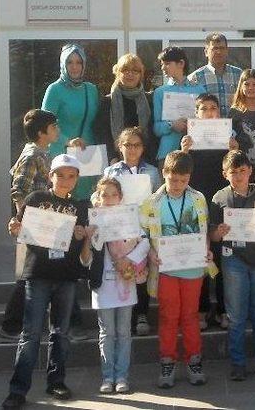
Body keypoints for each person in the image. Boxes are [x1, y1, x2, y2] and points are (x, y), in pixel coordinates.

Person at [1, 154, 93, 410]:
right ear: (50, 176)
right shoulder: (36, 199)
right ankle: (17, 390)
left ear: (77, 179)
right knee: (30, 334)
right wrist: (15, 229)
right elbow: (19, 229)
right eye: (60, 174)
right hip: (38, 274)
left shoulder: (81, 207)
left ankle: (56, 382)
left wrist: (81, 235)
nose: (65, 180)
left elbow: (82, 248)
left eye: (71, 176)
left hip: (66, 277)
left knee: (60, 334)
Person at [139, 150, 210, 389]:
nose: (178, 185)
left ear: (189, 177)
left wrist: (207, 250)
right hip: (165, 269)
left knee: (190, 315)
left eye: (183, 180)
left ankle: (193, 359)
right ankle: (167, 360)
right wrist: (150, 254)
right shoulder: (152, 202)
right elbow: (144, 235)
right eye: (173, 179)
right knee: (169, 316)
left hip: (193, 268)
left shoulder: (198, 198)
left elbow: (204, 230)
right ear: (164, 174)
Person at [209, 150, 255, 381]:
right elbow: (213, 235)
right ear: (224, 174)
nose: (238, 176)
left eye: (242, 171)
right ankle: (238, 363)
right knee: (236, 316)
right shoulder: (219, 198)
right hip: (233, 261)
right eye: (233, 172)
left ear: (250, 170)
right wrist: (217, 233)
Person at [181, 93, 239, 331]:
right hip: (197, 205)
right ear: (196, 114)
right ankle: (202, 311)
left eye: (213, 108)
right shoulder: (188, 140)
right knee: (200, 258)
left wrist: (234, 150)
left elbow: (237, 171)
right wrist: (184, 152)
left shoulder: (227, 138)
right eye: (203, 108)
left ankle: (225, 311)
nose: (208, 112)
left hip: (221, 205)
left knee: (223, 258)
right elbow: (178, 173)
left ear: (219, 112)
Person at [0, 110, 59, 340]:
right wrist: (25, 222)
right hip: (34, 225)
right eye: (53, 127)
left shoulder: (43, 153)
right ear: (41, 132)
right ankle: (10, 326)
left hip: (44, 223)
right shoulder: (33, 154)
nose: (57, 131)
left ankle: (25, 323)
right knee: (27, 275)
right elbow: (19, 189)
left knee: (36, 273)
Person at [87, 177, 149, 394]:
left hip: (126, 280)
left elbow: (145, 241)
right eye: (105, 195)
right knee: (107, 332)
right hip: (103, 283)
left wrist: (128, 259)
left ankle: (122, 376)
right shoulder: (93, 218)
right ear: (98, 196)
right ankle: (107, 376)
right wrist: (92, 232)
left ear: (121, 197)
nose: (110, 199)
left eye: (114, 195)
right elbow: (89, 253)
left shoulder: (129, 217)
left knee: (123, 331)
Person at [103, 127, 161, 336]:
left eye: (136, 145)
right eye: (127, 145)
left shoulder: (152, 171)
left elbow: (157, 198)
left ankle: (142, 313)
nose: (132, 149)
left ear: (143, 148)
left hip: (143, 227)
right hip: (119, 229)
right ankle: (124, 314)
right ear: (120, 146)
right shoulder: (111, 172)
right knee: (123, 269)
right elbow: (101, 196)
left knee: (141, 271)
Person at [41, 43, 100, 201]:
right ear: (63, 64)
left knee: (89, 202)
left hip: (88, 153)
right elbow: (45, 125)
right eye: (70, 62)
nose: (74, 67)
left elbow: (98, 122)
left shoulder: (91, 89)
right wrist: (67, 140)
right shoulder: (55, 90)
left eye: (78, 62)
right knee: (64, 202)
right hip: (63, 152)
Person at [95, 53, 156, 164]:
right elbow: (101, 133)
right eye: (125, 70)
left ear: (141, 75)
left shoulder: (150, 100)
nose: (130, 74)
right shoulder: (107, 102)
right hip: (116, 161)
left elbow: (153, 133)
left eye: (135, 71)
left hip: (146, 161)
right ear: (118, 73)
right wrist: (112, 157)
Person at [153, 46, 205, 164]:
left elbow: (206, 121)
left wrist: (193, 124)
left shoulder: (199, 90)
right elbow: (156, 128)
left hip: (195, 152)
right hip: (168, 153)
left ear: (181, 63)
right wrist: (171, 125)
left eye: (167, 64)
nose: (163, 68)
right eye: (162, 64)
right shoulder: (160, 92)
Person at [188, 32, 243, 117]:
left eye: (222, 48)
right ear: (206, 52)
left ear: (227, 51)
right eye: (214, 48)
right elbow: (191, 109)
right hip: (207, 128)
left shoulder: (239, 74)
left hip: (235, 127)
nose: (218, 52)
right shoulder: (195, 78)